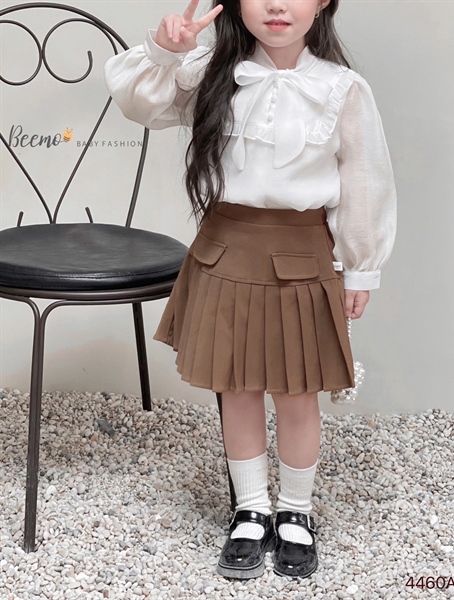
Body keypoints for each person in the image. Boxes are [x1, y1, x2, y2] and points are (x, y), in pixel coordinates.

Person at [104, 0, 396, 581]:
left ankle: (295, 512)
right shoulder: (211, 71)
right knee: (236, 387)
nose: (277, 5)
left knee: (297, 391)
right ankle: (251, 509)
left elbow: (364, 179)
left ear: (323, 2)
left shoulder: (342, 88)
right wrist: (165, 52)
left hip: (302, 254)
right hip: (226, 248)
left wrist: (361, 267)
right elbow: (140, 104)